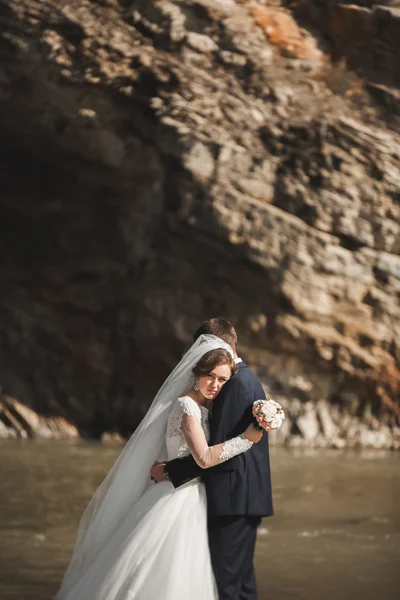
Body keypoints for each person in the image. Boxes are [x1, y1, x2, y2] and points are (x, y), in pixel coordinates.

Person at [55, 334, 263, 600]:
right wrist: (246, 439)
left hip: (190, 493)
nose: (215, 384)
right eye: (210, 376)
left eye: (222, 379)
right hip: (176, 498)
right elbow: (203, 458)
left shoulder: (204, 407)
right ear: (197, 373)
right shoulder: (187, 406)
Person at [151, 318, 273, 600]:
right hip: (243, 499)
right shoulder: (245, 378)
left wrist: (170, 470)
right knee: (241, 584)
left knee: (226, 585)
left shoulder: (235, 385)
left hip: (232, 500)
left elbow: (218, 452)